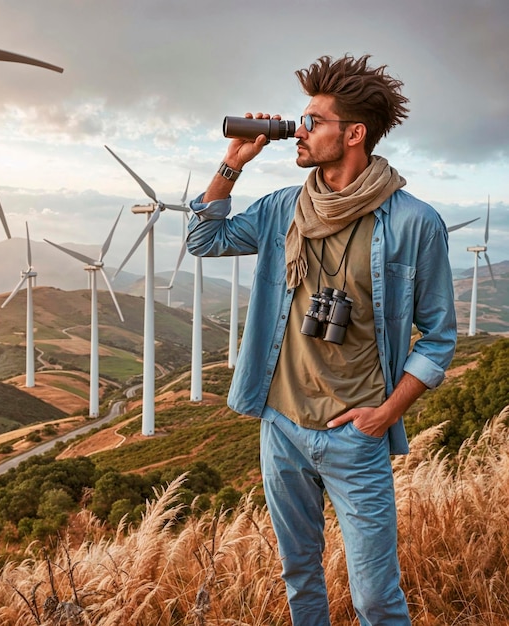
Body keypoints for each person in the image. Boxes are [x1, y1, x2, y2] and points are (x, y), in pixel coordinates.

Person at [186, 54, 457, 625]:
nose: (298, 131)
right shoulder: (285, 206)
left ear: (354, 134)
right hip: (281, 426)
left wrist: (384, 415)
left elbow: (439, 338)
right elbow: (204, 240)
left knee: (376, 599)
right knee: (300, 578)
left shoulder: (414, 222)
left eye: (313, 121)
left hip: (354, 437)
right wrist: (231, 164)